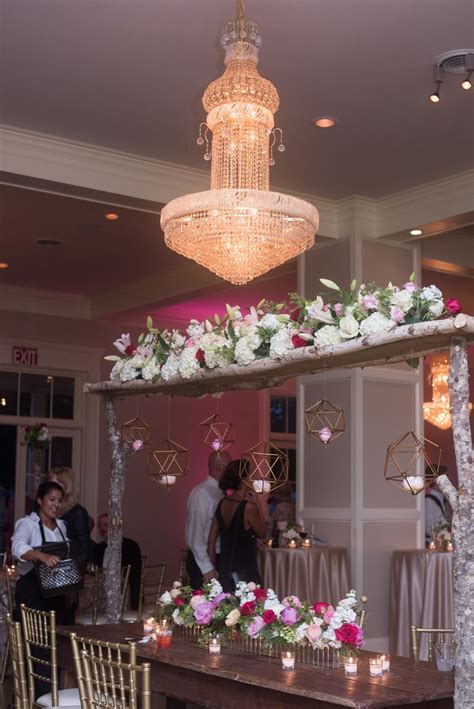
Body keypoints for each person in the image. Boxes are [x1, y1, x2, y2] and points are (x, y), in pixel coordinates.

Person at [12, 481, 70, 698]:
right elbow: (18, 547)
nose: (56, 504)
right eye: (51, 499)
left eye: (60, 500)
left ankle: (56, 696)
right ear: (40, 500)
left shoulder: (62, 526)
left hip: (57, 594)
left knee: (57, 647)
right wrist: (41, 556)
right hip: (32, 594)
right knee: (38, 649)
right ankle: (38, 698)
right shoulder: (27, 524)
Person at [207, 460, 267, 592]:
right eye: (251, 475)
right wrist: (258, 505)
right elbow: (263, 534)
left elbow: (211, 541)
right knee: (251, 610)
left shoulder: (222, 503)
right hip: (245, 572)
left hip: (224, 571)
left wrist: (212, 571)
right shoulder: (248, 507)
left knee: (226, 611)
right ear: (244, 479)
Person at [185, 450, 232, 589]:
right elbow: (195, 535)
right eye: (229, 467)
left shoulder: (220, 493)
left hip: (218, 558)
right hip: (203, 560)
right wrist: (207, 568)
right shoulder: (201, 494)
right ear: (221, 467)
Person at [93, 513, 142, 611]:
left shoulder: (130, 546)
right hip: (101, 591)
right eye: (100, 526)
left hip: (126, 592)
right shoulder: (98, 548)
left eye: (106, 525)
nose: (102, 529)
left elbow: (135, 573)